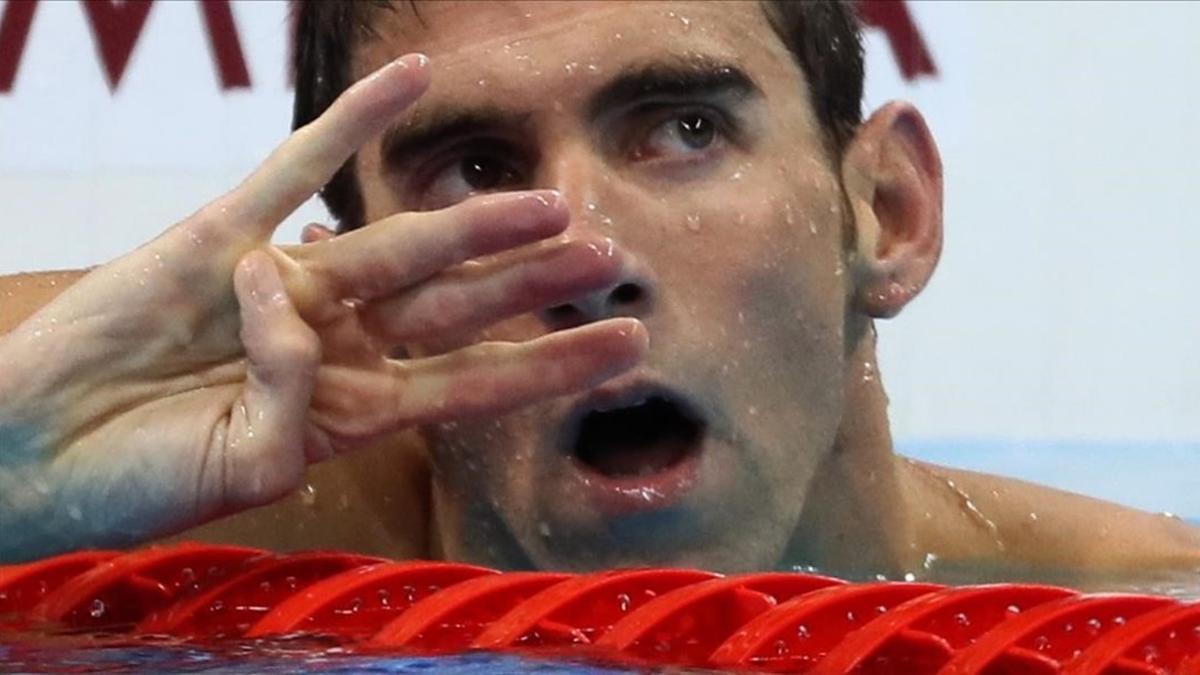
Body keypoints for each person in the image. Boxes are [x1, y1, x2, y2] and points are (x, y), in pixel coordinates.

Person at [0, 0, 1196, 589]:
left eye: (683, 129)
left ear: (887, 213)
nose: (590, 255)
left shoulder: (1137, 605)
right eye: (475, 171)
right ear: (362, 285)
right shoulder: (174, 539)